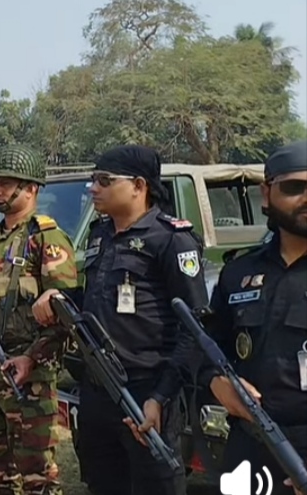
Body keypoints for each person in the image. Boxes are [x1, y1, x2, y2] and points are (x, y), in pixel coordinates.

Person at [66, 145, 209, 495]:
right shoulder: (100, 235)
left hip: (146, 393)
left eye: (104, 180)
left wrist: (160, 396)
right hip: (98, 389)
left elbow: (194, 328)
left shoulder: (171, 240)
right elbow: (94, 301)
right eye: (93, 180)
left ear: (138, 186)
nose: (93, 188)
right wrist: (57, 298)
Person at [0, 144, 77, 495]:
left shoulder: (45, 238)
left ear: (30, 188)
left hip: (28, 378)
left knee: (37, 478)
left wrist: (32, 358)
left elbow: (65, 315)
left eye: (5, 184)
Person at [203, 140, 307, 495]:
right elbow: (206, 345)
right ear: (266, 193)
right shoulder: (238, 272)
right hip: (251, 444)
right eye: (295, 187)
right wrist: (215, 381)